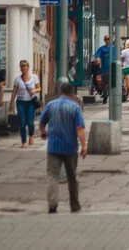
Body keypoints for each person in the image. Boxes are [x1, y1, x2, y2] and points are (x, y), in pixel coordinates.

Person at [39, 79, 86, 213]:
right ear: (72, 93)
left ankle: (52, 204)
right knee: (72, 177)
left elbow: (42, 122)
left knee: (52, 176)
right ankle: (74, 205)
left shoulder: (50, 105)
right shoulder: (75, 107)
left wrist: (43, 133)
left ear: (60, 92)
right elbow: (80, 128)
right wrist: (84, 146)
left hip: (53, 147)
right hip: (70, 147)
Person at [8, 60, 41, 147]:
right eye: (21, 66)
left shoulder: (34, 77)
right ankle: (23, 142)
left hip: (31, 102)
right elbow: (14, 91)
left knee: (30, 122)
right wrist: (11, 102)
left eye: (25, 66)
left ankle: (31, 135)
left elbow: (39, 88)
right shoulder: (17, 79)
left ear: (28, 67)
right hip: (21, 102)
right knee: (22, 122)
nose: (23, 68)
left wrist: (34, 90)